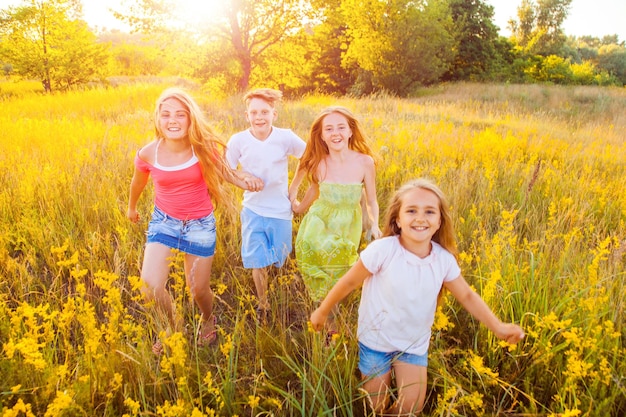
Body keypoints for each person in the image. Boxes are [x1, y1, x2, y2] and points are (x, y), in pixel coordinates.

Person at [310, 178, 525, 415]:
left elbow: (467, 296)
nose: (420, 218)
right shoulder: (384, 250)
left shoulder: (443, 260)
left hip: (413, 345)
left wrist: (498, 326)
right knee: (374, 408)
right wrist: (323, 311)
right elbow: (349, 281)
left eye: (429, 212)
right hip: (375, 342)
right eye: (411, 210)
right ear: (398, 220)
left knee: (411, 408)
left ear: (439, 222)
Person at [127, 87, 259, 353]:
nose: (172, 120)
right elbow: (137, 182)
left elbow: (228, 174)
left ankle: (208, 318)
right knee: (149, 286)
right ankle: (173, 328)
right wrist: (132, 208)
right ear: (157, 118)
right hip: (164, 222)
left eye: (180, 115)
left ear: (190, 119)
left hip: (199, 225)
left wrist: (248, 181)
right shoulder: (147, 153)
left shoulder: (203, 149)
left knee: (198, 290)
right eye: (166, 115)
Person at [289, 106, 381, 338]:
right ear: (321, 135)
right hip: (320, 223)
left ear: (350, 131)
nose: (335, 133)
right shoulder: (320, 162)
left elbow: (371, 199)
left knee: (341, 272)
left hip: (348, 225)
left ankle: (329, 311)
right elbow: (313, 190)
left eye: (341, 127)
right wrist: (298, 206)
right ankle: (329, 320)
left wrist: (375, 223)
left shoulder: (364, 162)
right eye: (328, 129)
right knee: (323, 267)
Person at [225, 88, 306, 321]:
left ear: (274, 114)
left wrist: (294, 190)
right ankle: (264, 305)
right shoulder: (238, 140)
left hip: (280, 211)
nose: (259, 117)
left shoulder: (285, 137)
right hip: (252, 210)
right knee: (257, 261)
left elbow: (309, 157)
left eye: (264, 112)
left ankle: (286, 292)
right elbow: (226, 170)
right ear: (246, 115)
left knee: (280, 258)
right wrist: (244, 178)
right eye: (254, 112)